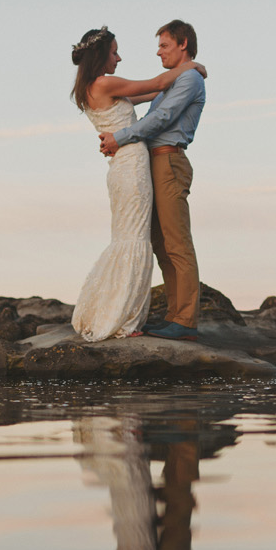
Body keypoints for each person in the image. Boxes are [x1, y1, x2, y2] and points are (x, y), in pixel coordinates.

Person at [69, 26, 206, 342]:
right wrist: (193, 65)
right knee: (148, 239)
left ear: (182, 45)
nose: (119, 57)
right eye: (115, 52)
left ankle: (179, 319)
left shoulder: (98, 86)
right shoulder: (105, 83)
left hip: (145, 162)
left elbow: (156, 95)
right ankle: (154, 315)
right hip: (133, 165)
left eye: (165, 45)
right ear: (102, 56)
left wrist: (189, 72)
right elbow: (157, 86)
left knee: (164, 240)